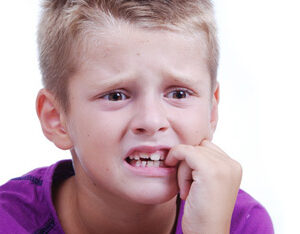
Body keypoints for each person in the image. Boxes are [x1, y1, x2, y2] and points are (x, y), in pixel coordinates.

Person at [0, 0, 274, 233]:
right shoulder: (8, 222)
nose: (152, 121)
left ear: (212, 111)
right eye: (116, 95)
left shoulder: (237, 224)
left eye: (178, 94)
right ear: (56, 119)